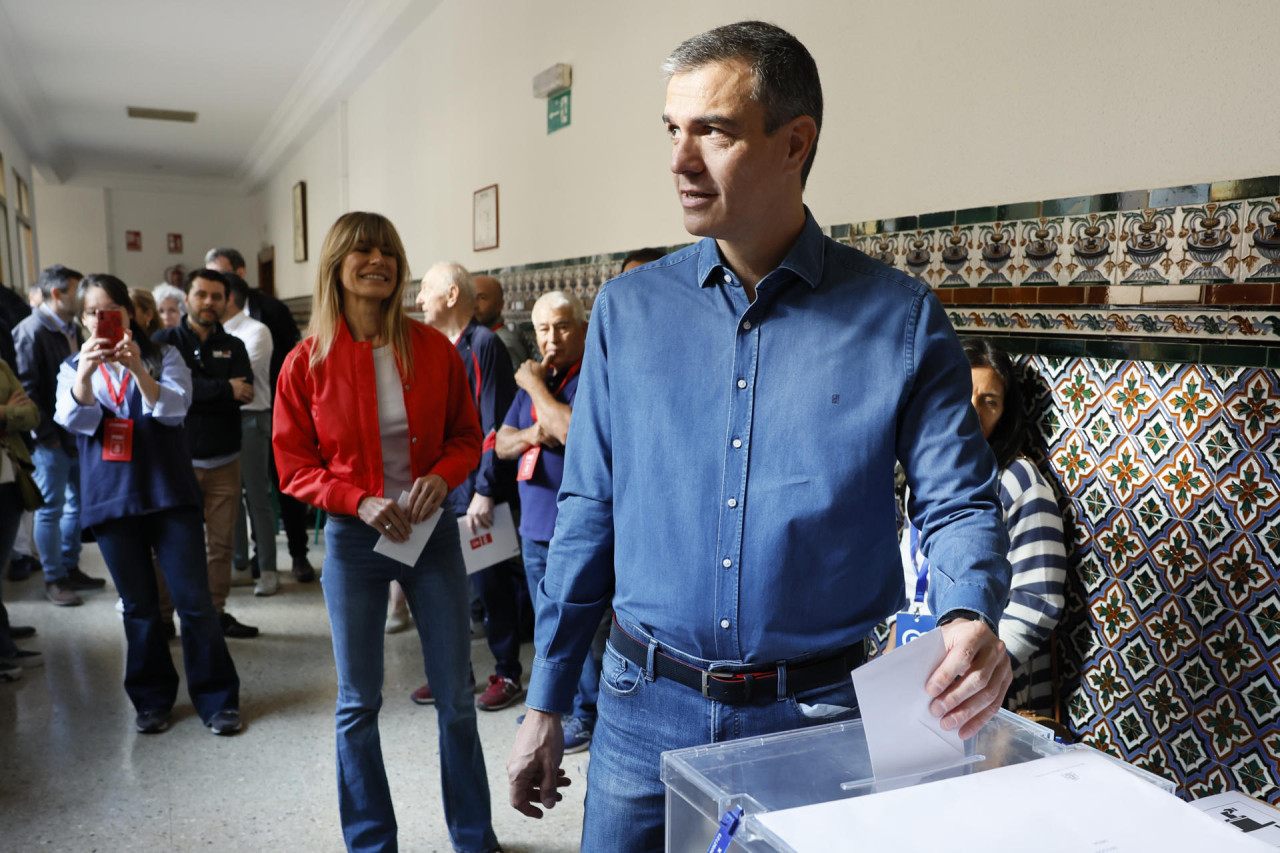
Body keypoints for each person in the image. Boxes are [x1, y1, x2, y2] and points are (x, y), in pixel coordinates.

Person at [506, 22, 1013, 849]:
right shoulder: (628, 317)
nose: (679, 157)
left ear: (795, 142)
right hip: (643, 711)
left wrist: (967, 610)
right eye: (673, 129)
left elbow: (957, 498)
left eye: (713, 130)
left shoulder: (901, 316)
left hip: (818, 719)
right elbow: (589, 509)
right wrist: (548, 699)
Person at [273, 211, 499, 853]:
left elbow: (465, 437)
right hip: (354, 541)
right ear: (336, 264)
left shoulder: (432, 349)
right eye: (362, 251)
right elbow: (294, 467)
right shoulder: (306, 362)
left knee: (457, 694)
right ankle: (372, 843)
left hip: (430, 536)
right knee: (357, 702)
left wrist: (443, 476)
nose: (378, 261)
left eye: (388, 252)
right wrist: (356, 500)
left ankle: (474, 838)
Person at [54, 274, 241, 735]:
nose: (103, 321)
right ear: (81, 320)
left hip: (168, 492)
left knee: (193, 601)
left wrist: (139, 370)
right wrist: (86, 373)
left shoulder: (164, 356)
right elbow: (75, 420)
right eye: (93, 313)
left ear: (131, 315)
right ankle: (152, 699)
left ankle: (217, 699)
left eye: (112, 311)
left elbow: (174, 410)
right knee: (138, 606)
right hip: (112, 498)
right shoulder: (71, 368)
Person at [900, 338, 1066, 712]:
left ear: (1005, 413)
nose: (973, 412)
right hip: (924, 674)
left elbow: (1038, 600)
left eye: (989, 401)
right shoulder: (926, 475)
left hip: (987, 687)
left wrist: (977, 665)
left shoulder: (1020, 482)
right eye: (964, 395)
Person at [413, 262, 524, 712]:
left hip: (477, 490)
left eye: (425, 290)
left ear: (452, 296)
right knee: (441, 585)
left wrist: (486, 489)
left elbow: (493, 422)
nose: (419, 300)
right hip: (439, 487)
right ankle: (455, 671)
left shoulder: (485, 345)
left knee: (491, 584)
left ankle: (508, 672)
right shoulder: (431, 347)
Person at [495, 290, 597, 754]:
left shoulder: (589, 375)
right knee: (546, 625)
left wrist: (535, 388)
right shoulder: (540, 378)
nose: (550, 338)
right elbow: (501, 443)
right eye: (541, 329)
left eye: (560, 327)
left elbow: (573, 432)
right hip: (534, 527)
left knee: (581, 626)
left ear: (581, 326)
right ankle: (554, 707)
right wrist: (538, 429)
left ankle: (587, 713)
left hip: (574, 530)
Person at [153, 270, 259, 639]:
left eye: (217, 296)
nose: (209, 302)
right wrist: (220, 390)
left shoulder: (234, 345)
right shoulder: (163, 342)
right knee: (168, 546)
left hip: (224, 460)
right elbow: (162, 395)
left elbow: (243, 392)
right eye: (201, 294)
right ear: (187, 298)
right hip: (175, 462)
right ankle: (164, 617)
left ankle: (214, 615)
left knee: (221, 545)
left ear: (226, 301)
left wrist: (191, 394)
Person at [206, 247, 314, 582]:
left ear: (237, 278)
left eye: (219, 278)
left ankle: (297, 556)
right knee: (238, 492)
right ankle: (247, 560)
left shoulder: (269, 312)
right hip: (230, 414)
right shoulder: (213, 330)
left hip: (274, 408)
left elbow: (289, 360)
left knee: (279, 486)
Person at [14, 264, 107, 606]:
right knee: (51, 508)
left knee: (78, 506)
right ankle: (54, 578)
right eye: (76, 290)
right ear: (57, 294)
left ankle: (70, 567)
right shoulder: (31, 330)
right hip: (49, 439)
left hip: (76, 433)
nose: (83, 297)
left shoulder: (73, 327)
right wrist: (47, 436)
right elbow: (27, 389)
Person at [222, 273, 279, 597]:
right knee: (230, 497)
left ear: (229, 298)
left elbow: (239, 378)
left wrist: (214, 383)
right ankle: (240, 564)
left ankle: (268, 569)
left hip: (252, 419)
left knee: (257, 497)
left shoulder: (256, 331)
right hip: (223, 419)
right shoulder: (217, 334)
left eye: (216, 295)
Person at [1, 356, 42, 681]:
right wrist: (7, 411)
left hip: (10, 476)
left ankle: (4, 640)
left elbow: (31, 414)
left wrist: (5, 413)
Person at [473, 274, 529, 370]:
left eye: (482, 298)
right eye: (470, 298)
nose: (474, 305)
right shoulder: (482, 339)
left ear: (499, 305)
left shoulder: (503, 344)